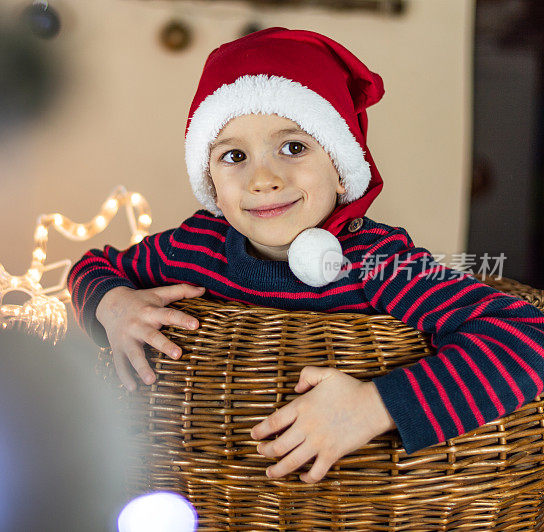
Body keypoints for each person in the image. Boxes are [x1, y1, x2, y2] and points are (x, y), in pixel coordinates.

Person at [67, 27, 544, 484]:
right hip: (214, 484)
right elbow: (92, 268)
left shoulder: (378, 263)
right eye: (234, 156)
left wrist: (374, 406)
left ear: (341, 170)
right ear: (210, 180)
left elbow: (526, 336)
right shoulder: (197, 246)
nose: (262, 178)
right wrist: (115, 305)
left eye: (293, 147)